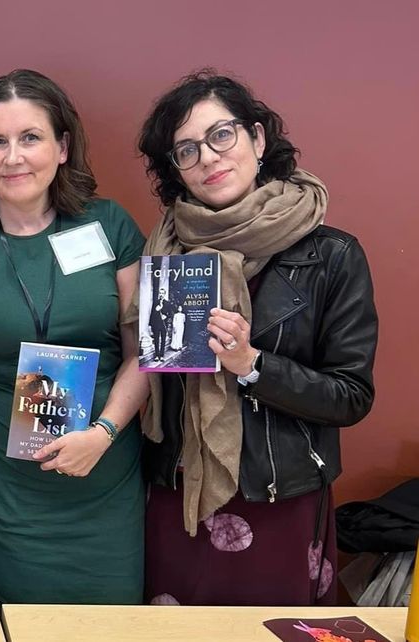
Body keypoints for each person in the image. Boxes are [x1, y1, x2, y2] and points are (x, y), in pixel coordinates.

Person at [0, 69, 149, 619]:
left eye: (30, 137)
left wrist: (104, 433)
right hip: (6, 496)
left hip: (105, 488)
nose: (13, 157)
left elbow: (145, 354)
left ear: (62, 147)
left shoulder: (111, 226)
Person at [136, 70, 377, 605]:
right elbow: (150, 379)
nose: (208, 157)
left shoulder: (331, 255)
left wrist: (252, 364)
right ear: (175, 169)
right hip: (178, 495)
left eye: (221, 135)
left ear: (258, 138)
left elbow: (350, 395)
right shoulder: (164, 253)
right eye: (187, 150)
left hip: (277, 499)